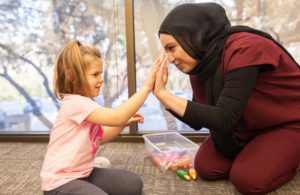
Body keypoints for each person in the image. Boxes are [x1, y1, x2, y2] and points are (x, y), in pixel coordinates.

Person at [153, 2, 300, 194]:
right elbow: (198, 119)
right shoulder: (201, 64)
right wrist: (163, 96)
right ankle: (260, 151)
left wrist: (163, 94)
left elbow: (223, 117)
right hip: (247, 126)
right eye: (166, 51)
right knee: (206, 167)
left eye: (172, 48)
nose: (170, 59)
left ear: (194, 36)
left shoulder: (245, 48)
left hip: (287, 123)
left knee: (247, 179)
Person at [40, 40, 162, 195]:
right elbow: (117, 116)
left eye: (101, 74)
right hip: (60, 182)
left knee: (133, 184)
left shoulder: (86, 104)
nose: (101, 79)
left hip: (84, 173)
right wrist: (146, 88)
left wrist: (123, 123)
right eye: (95, 74)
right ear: (71, 76)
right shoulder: (74, 103)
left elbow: (100, 137)